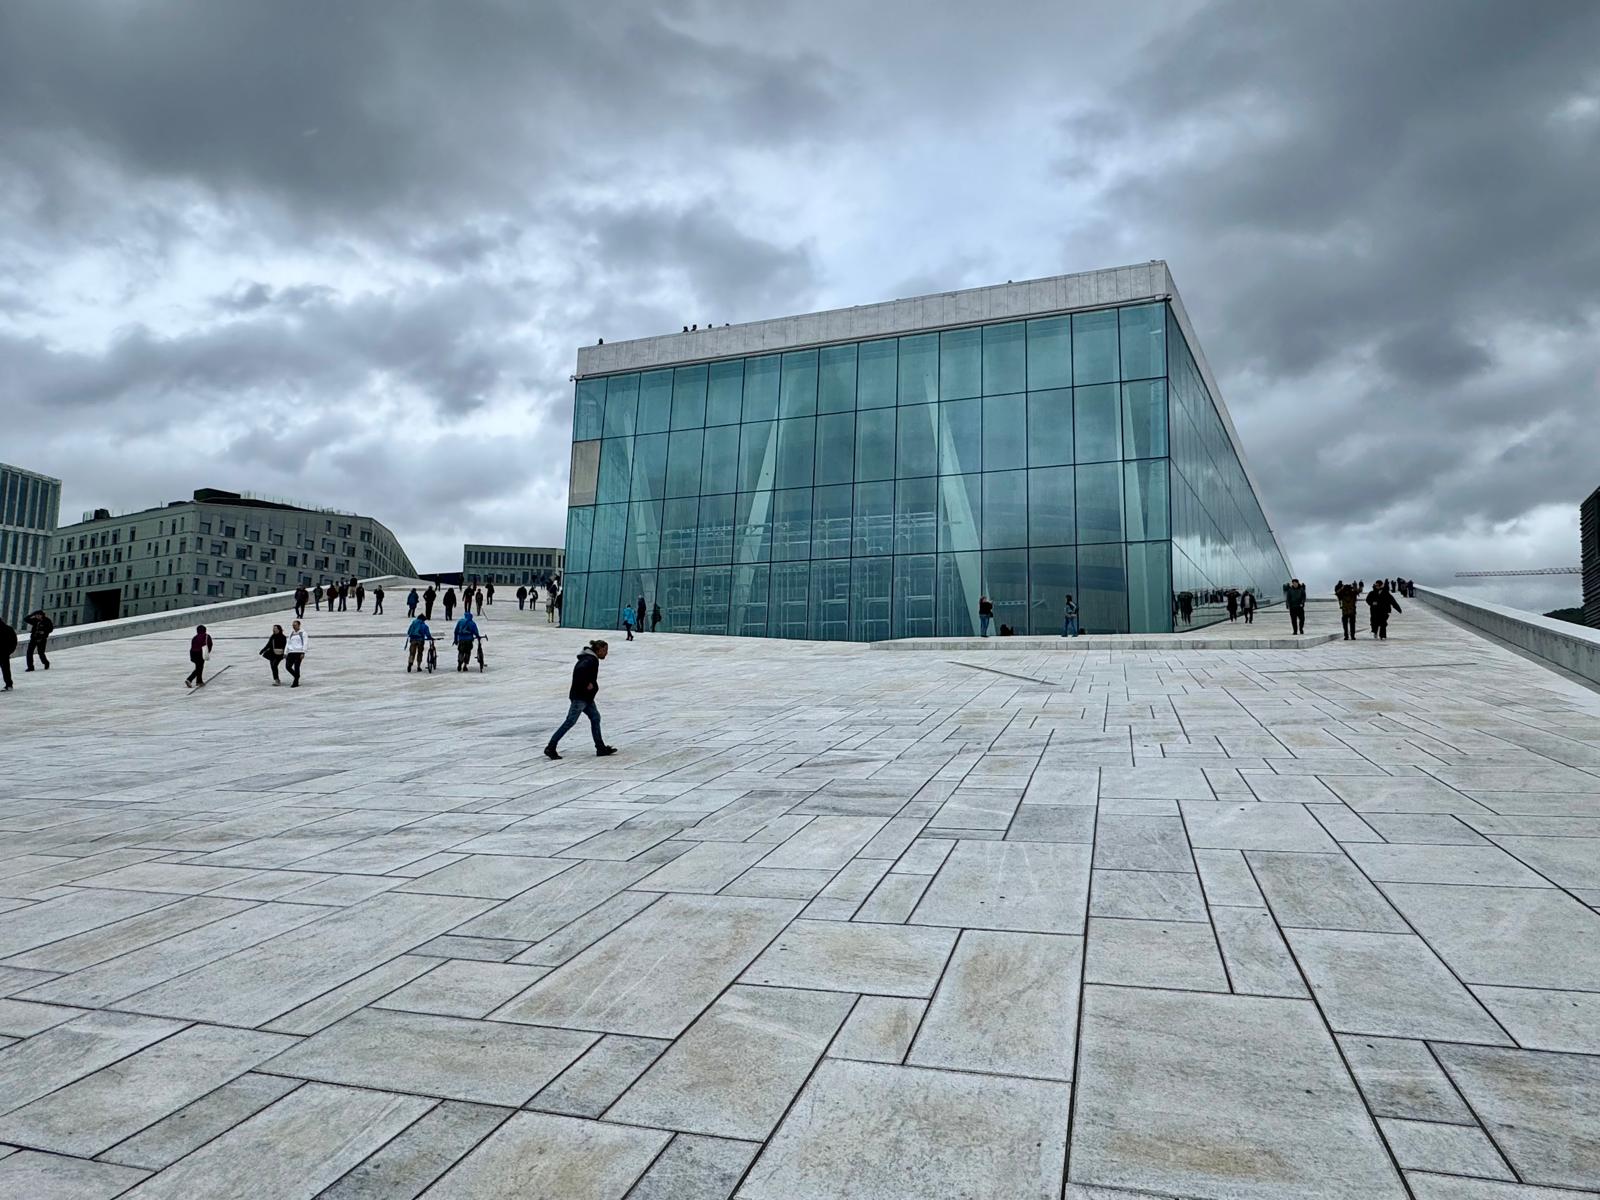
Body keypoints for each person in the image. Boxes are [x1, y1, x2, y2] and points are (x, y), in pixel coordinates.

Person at [544, 639, 616, 759]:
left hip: (586, 697)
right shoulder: (590, 660)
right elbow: (580, 670)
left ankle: (600, 747)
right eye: (605, 650)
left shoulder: (590, 658)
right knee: (570, 721)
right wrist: (586, 684)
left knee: (595, 717)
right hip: (580, 697)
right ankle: (551, 747)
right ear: (598, 650)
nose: (606, 653)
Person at [185, 624, 213, 689]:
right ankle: (189, 679)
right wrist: (207, 653)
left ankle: (199, 681)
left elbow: (192, 646)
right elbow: (210, 645)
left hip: (193, 654)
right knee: (199, 668)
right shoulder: (207, 636)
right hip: (200, 653)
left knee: (199, 667)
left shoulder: (194, 637)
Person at [284, 620, 307, 686]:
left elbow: (305, 643)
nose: (294, 627)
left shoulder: (303, 633)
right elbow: (288, 643)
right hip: (291, 652)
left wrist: (303, 652)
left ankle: (296, 681)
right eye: (293, 625)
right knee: (288, 666)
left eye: (295, 625)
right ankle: (296, 676)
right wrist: (285, 652)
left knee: (297, 666)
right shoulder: (291, 633)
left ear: (299, 625)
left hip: (299, 652)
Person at [0, 617, 16, 691]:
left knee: (5, 669)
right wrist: (9, 651)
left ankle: (9, 684)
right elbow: (14, 642)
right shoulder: (9, 629)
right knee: (6, 669)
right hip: (5, 653)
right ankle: (9, 684)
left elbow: (13, 642)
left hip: (4, 652)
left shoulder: (8, 629)